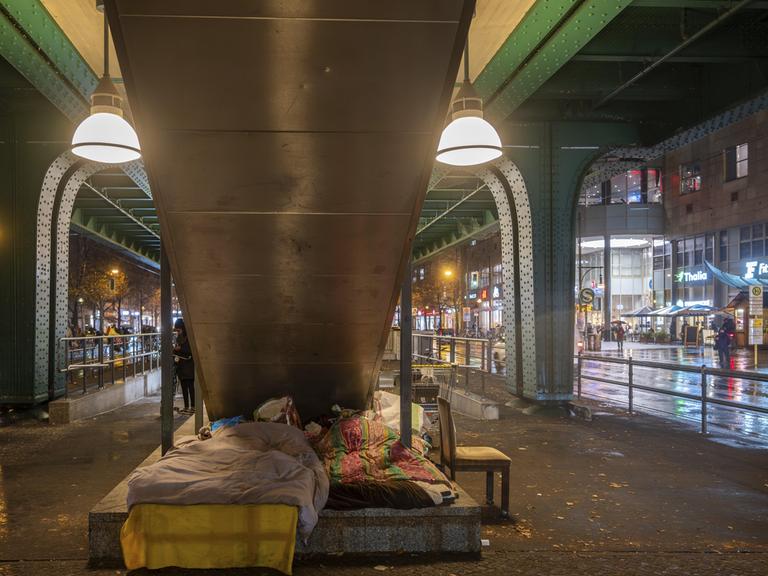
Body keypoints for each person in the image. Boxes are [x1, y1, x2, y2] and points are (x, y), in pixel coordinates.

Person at [173, 318, 195, 413]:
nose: (178, 332)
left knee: (190, 386)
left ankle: (193, 406)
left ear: (183, 329)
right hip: (181, 365)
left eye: (179, 330)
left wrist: (179, 349)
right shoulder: (178, 338)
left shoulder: (189, 338)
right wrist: (175, 350)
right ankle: (186, 406)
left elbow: (189, 351)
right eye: (177, 330)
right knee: (184, 387)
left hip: (189, 365)